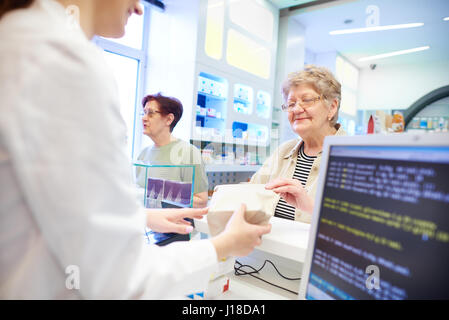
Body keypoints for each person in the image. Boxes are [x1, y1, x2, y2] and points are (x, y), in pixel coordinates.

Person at [0, 0, 271, 299]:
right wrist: (223, 245)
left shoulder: (21, 39)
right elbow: (120, 278)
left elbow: (61, 207)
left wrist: (145, 216)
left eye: (152, 113)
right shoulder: (61, 57)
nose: (140, 8)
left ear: (169, 120)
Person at [251, 65, 346, 223]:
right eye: (291, 103)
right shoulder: (284, 151)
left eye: (307, 100)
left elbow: (362, 226)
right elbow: (251, 192)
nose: (296, 109)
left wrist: (311, 206)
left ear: (332, 107)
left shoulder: (354, 156)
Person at [136, 93, 208, 208]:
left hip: (174, 224)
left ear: (169, 119)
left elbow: (201, 201)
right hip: (145, 223)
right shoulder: (143, 154)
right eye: (144, 113)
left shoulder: (188, 153)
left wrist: (162, 192)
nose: (144, 118)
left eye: (150, 113)